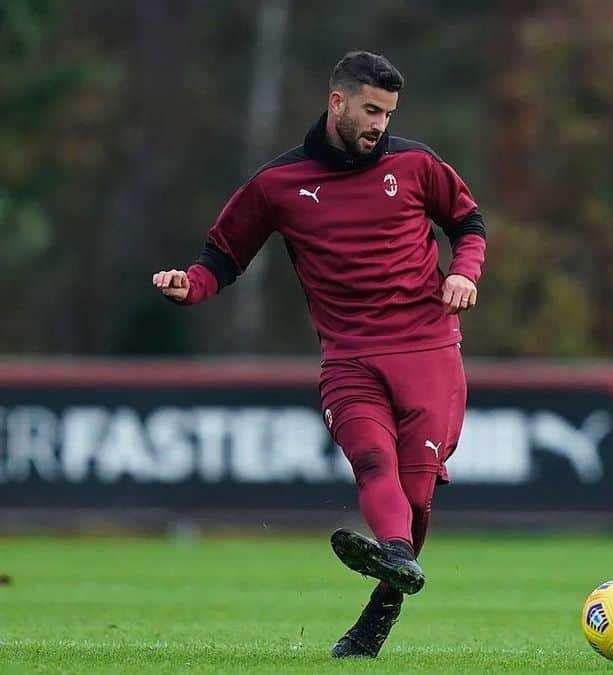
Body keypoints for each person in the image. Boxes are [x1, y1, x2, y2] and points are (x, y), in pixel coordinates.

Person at [152, 50, 487, 656]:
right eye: (370, 110)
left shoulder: (417, 166)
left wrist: (464, 273)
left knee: (415, 499)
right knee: (370, 459)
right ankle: (395, 558)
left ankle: (378, 612)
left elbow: (468, 223)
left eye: (388, 114)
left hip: (429, 350)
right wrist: (189, 287)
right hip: (350, 358)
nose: (379, 125)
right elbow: (222, 258)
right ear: (337, 102)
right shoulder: (277, 184)